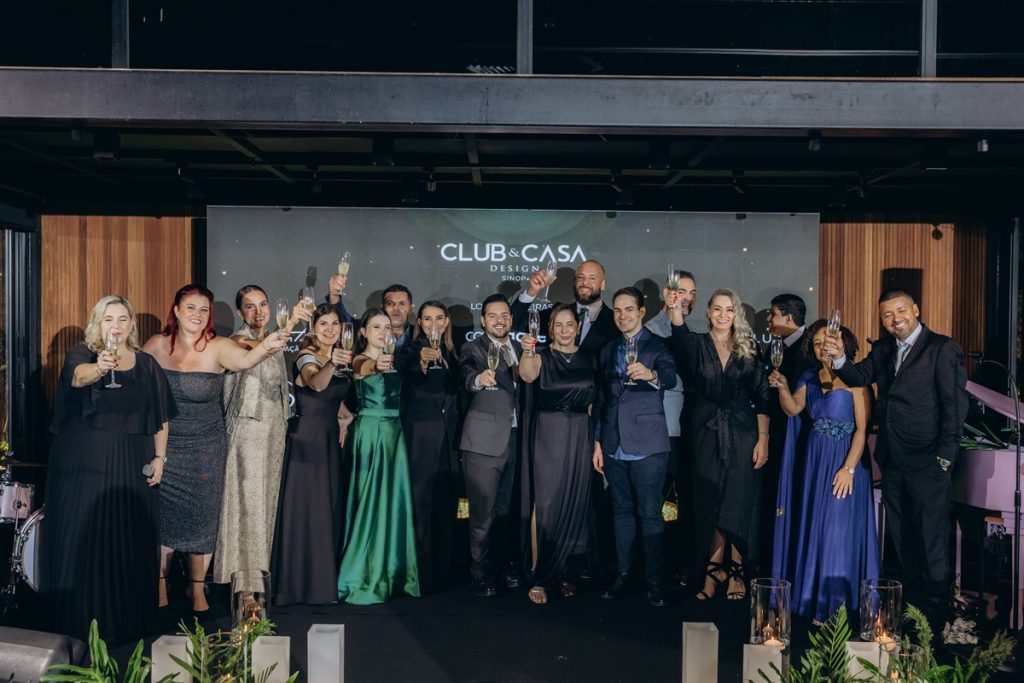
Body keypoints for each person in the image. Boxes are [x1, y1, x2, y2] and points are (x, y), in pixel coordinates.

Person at [826, 288, 968, 630]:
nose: (895, 319)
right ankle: (913, 615)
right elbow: (858, 377)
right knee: (903, 543)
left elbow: (954, 407)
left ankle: (936, 622)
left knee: (931, 544)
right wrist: (839, 358)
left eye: (901, 310)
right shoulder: (883, 349)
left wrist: (945, 460)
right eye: (887, 315)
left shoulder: (942, 348)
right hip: (892, 461)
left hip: (929, 463)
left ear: (916, 310)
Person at [143, 284, 285, 613]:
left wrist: (267, 346)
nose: (197, 314)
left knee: (203, 517)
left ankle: (196, 588)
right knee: (163, 517)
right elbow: (137, 384)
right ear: (176, 310)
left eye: (204, 309)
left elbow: (247, 359)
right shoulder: (155, 345)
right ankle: (160, 583)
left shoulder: (218, 346)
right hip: (163, 443)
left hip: (206, 446)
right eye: (191, 308)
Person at [43, 295, 175, 644]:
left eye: (122, 319)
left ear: (131, 324)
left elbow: (161, 417)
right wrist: (100, 368)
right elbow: (78, 378)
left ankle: (128, 622)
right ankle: (83, 625)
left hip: (134, 462)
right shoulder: (83, 355)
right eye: (108, 319)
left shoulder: (147, 364)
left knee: (129, 538)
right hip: (86, 464)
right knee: (88, 539)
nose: (115, 326)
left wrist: (160, 458)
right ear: (97, 324)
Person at [770, 320, 879, 623]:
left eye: (827, 341)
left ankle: (835, 607)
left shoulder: (857, 379)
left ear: (843, 343)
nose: (822, 347)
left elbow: (862, 430)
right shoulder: (809, 376)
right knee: (816, 526)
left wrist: (848, 469)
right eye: (817, 343)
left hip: (846, 461)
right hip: (815, 461)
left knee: (837, 532)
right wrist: (782, 387)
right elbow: (792, 409)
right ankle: (812, 600)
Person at [667, 288, 770, 601]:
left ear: (736, 314)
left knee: (738, 501)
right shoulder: (696, 344)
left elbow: (762, 397)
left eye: (729, 309)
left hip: (743, 431)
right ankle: (713, 572)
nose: (723, 315)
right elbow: (678, 330)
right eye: (717, 309)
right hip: (705, 430)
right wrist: (674, 306)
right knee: (709, 501)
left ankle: (737, 571)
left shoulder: (748, 348)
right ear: (708, 312)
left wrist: (763, 438)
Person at [213, 285, 310, 584]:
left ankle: (258, 581)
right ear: (240, 312)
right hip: (247, 429)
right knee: (248, 506)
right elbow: (263, 347)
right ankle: (247, 585)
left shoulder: (271, 336)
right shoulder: (236, 340)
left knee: (265, 506)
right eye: (250, 306)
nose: (258, 311)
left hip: (274, 428)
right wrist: (291, 322)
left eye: (263, 304)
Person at [593, 287, 678, 608]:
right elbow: (602, 399)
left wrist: (650, 374)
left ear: (642, 312)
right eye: (617, 310)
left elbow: (669, 377)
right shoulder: (608, 348)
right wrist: (598, 441)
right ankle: (624, 574)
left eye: (629, 309)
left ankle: (655, 580)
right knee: (621, 511)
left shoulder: (658, 346)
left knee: (650, 513)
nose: (622, 315)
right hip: (613, 443)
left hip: (647, 443)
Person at [337, 308, 420, 604]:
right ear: (363, 331)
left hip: (394, 435)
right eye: (376, 327)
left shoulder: (397, 359)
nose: (383, 332)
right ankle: (359, 575)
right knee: (369, 503)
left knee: (393, 504)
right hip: (371, 435)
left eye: (387, 327)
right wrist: (377, 363)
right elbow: (364, 367)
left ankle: (393, 572)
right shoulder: (359, 359)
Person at [272, 304, 353, 605]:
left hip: (328, 439)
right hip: (307, 440)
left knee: (325, 510)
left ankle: (321, 583)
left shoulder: (338, 357)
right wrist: (331, 362)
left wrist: (346, 417)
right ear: (313, 328)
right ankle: (296, 587)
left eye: (335, 324)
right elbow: (316, 385)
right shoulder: (305, 355)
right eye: (323, 324)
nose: (330, 330)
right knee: (307, 511)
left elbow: (333, 399)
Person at [518, 303, 596, 604]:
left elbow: (593, 401)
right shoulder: (540, 356)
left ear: (578, 327)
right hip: (549, 431)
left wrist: (596, 441)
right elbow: (527, 376)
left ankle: (565, 573)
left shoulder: (589, 357)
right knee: (547, 502)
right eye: (558, 325)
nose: (564, 330)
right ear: (550, 329)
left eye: (569, 324)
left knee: (575, 502)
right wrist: (527, 352)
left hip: (581, 432)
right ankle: (540, 575)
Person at [459, 293, 526, 598]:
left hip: (517, 439)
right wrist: (478, 379)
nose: (500, 321)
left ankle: (504, 566)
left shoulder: (522, 349)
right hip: (483, 443)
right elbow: (467, 373)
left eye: (504, 315)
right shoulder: (473, 348)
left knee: (507, 511)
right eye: (493, 316)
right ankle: (480, 572)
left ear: (511, 319)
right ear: (483, 320)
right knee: (482, 515)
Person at [399, 301, 461, 594]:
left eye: (438, 318)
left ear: (446, 321)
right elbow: (407, 374)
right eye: (427, 319)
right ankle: (419, 573)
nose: (433, 324)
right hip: (421, 438)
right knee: (420, 502)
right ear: (420, 323)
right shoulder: (411, 351)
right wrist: (422, 362)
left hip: (450, 438)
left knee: (449, 503)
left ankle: (446, 570)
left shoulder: (455, 352)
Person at [645, 270, 696, 585]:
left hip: (684, 427)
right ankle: (658, 565)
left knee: (677, 499)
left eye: (691, 292)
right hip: (659, 428)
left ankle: (675, 562)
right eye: (680, 291)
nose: (686, 297)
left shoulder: (688, 330)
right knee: (661, 499)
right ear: (667, 294)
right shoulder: (651, 331)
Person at [761, 293, 816, 571]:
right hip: (776, 430)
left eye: (772, 314)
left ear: (788, 317)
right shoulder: (776, 347)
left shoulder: (810, 348)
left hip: (799, 433)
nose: (769, 320)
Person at [510, 259, 618, 354]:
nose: (585, 282)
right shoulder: (556, 314)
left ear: (603, 285)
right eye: (580, 277)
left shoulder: (616, 322)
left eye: (592, 278)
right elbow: (514, 321)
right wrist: (533, 290)